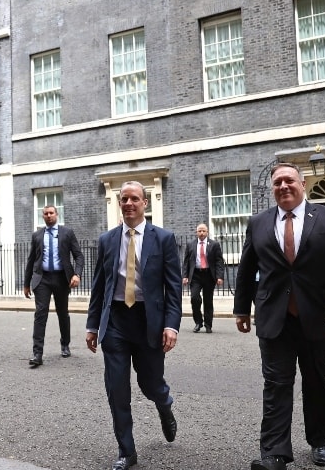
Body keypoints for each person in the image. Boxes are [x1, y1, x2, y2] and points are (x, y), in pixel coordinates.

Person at [233, 162, 325, 470]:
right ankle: (275, 454)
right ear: (272, 189)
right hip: (274, 316)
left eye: (289, 180)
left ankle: (319, 440)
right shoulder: (258, 222)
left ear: (302, 184)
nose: (283, 186)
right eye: (277, 182)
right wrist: (241, 308)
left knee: (317, 381)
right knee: (276, 383)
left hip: (319, 317)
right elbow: (247, 267)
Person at [85, 181, 182, 470]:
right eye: (123, 199)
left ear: (145, 203)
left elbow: (173, 287)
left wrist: (171, 325)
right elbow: (99, 286)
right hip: (115, 320)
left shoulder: (163, 238)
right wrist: (92, 326)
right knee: (117, 389)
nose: (128, 203)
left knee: (150, 383)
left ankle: (164, 404)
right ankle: (126, 451)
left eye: (134, 199)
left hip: (148, 321)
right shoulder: (107, 239)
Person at [23, 205, 83, 366]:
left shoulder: (67, 233)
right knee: (40, 314)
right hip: (42, 279)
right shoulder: (37, 235)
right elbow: (31, 260)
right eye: (45, 214)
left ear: (57, 215)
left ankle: (65, 344)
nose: (48, 216)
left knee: (62, 313)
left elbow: (78, 255)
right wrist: (26, 284)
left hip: (62, 278)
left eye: (51, 213)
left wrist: (76, 274)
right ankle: (37, 353)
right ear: (43, 216)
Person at [182, 223, 224, 333]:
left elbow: (219, 261)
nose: (201, 233)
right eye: (199, 231)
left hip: (209, 275)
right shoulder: (190, 244)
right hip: (195, 275)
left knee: (208, 301)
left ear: (207, 232)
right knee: (194, 298)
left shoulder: (214, 244)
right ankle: (198, 322)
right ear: (196, 232)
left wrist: (219, 276)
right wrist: (185, 276)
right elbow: (186, 261)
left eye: (203, 231)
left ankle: (208, 324)